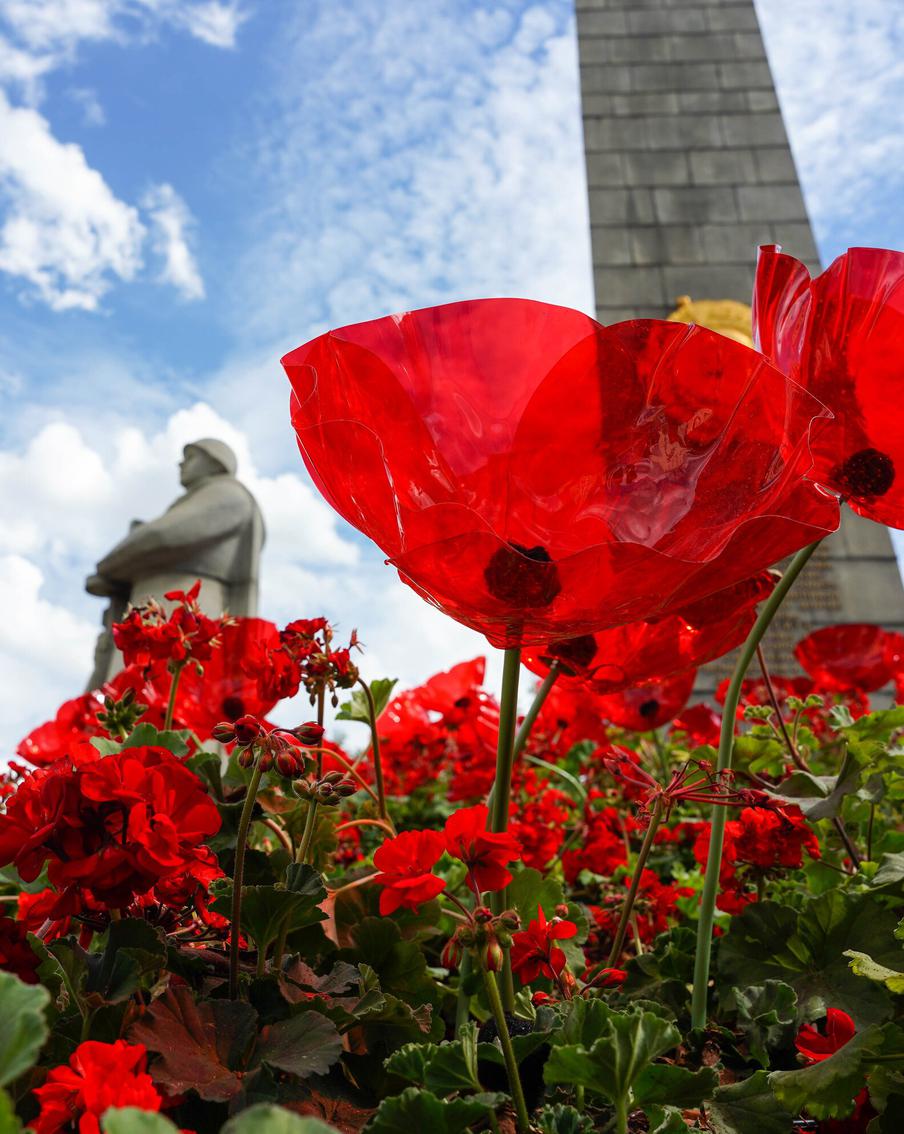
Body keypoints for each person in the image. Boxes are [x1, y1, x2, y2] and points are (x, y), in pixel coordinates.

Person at [85, 438, 265, 686]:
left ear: (216, 463)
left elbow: (163, 535)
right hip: (155, 604)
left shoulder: (228, 494)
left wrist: (108, 567)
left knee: (165, 694)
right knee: (131, 697)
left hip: (185, 607)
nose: (181, 464)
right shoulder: (201, 497)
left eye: (191, 457)